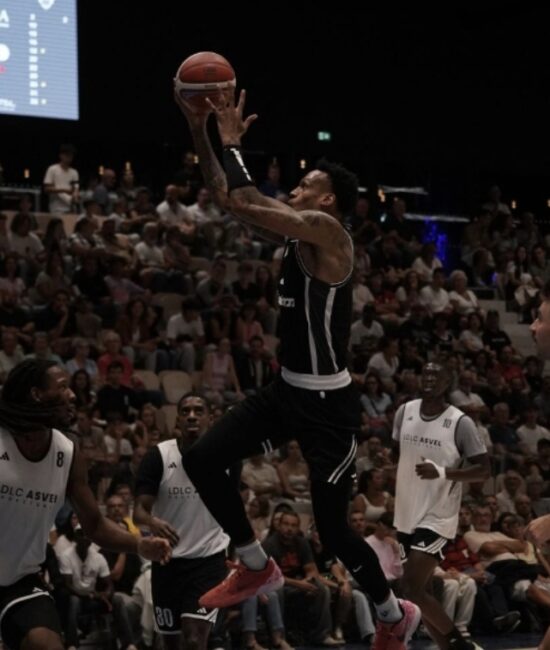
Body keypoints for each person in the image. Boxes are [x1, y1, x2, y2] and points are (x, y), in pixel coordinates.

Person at [175, 86, 420, 647]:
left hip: (329, 407)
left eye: (307, 185)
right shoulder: (294, 232)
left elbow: (244, 198)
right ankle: (253, 562)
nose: (295, 188)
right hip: (286, 392)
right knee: (203, 459)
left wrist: (231, 141)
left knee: (333, 532)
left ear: (329, 200)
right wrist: (197, 128)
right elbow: (227, 198)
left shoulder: (331, 234)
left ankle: (391, 615)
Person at [0, 359, 170, 650]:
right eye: (62, 387)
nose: (72, 395)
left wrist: (139, 544)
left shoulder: (67, 453)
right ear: (36, 394)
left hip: (21, 580)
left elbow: (95, 525)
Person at [393, 362, 490, 650]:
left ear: (448, 382)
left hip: (438, 515)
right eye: (426, 373)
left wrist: (444, 472)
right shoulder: (404, 411)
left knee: (410, 587)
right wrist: (386, 463)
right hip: (406, 511)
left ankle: (461, 646)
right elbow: (399, 454)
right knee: (420, 592)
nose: (429, 378)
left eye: (437, 375)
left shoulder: (461, 422)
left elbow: (483, 470)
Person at [133, 394, 230, 650]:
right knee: (172, 643)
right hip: (167, 562)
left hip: (208, 561)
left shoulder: (226, 455)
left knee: (195, 639)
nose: (192, 416)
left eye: (199, 411)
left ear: (210, 418)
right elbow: (139, 513)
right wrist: (152, 522)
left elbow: (232, 508)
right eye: (185, 411)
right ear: (177, 419)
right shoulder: (159, 456)